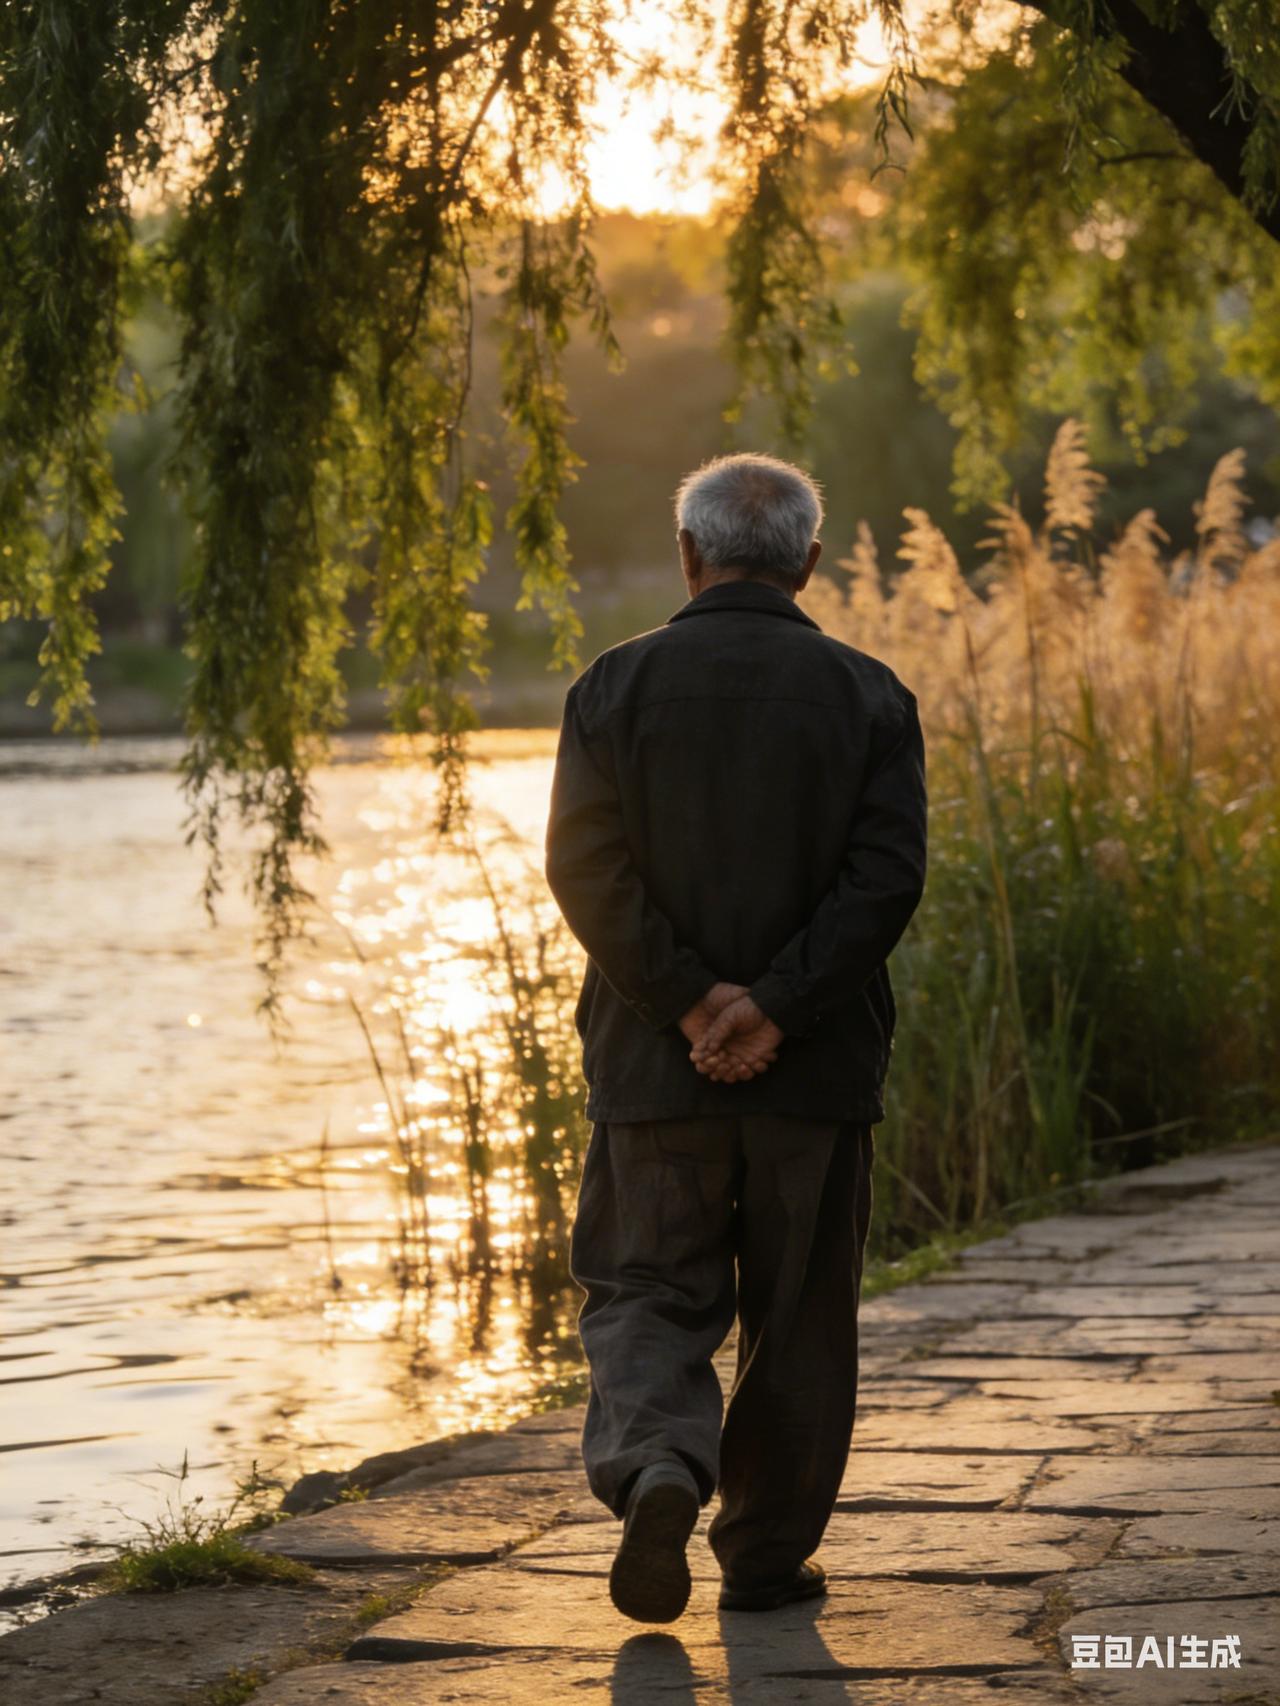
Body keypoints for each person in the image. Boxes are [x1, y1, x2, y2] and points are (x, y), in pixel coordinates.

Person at [544, 452, 927, 1625]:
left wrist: (687, 1003)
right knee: (800, 1311)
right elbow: (884, 879)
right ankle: (761, 1557)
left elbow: (583, 867)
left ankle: (660, 1462)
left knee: (644, 1286)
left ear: (687, 554)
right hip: (811, 1073)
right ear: (807, 561)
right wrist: (772, 1006)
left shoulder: (611, 685)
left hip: (653, 1072)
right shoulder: (867, 694)